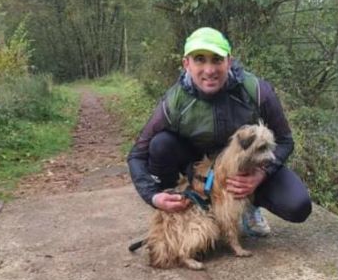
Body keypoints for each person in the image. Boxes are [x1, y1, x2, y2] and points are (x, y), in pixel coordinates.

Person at [127, 27, 311, 234]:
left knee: (298, 206)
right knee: (160, 144)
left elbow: (285, 140)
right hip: (198, 169)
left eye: (216, 59)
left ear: (229, 61)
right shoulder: (174, 103)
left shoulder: (257, 91)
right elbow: (137, 155)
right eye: (199, 59)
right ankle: (178, 209)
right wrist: (153, 196)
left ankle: (248, 207)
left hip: (247, 167)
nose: (209, 70)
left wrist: (261, 174)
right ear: (186, 64)